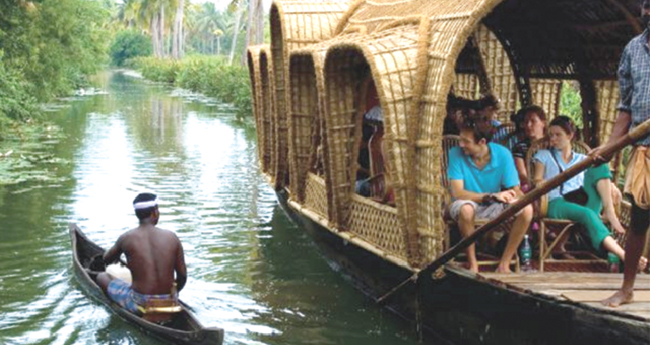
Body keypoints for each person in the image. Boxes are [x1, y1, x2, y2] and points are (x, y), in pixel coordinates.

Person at [533, 117, 647, 272]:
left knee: (600, 164)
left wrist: (611, 185)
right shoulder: (544, 155)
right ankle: (624, 255)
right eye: (550, 135)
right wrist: (542, 182)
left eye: (558, 134)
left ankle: (609, 211)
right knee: (588, 214)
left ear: (570, 135)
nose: (553, 139)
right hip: (556, 202)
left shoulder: (582, 159)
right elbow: (537, 179)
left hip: (581, 199)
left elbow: (598, 179)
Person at [598, 0, 650, 307]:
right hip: (644, 151)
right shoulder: (633, 49)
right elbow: (626, 109)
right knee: (640, 222)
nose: (649, 11)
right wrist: (608, 147)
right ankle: (627, 288)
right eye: (646, 5)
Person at [447, 110, 533, 273]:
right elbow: (458, 193)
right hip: (465, 203)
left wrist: (512, 197)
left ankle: (504, 263)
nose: (461, 144)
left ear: (482, 142)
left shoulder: (503, 154)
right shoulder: (455, 154)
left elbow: (515, 188)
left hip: (493, 204)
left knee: (527, 210)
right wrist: (491, 195)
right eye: (461, 140)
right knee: (466, 209)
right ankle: (473, 264)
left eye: (466, 141)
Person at [97, 192, 187, 323]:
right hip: (169, 301)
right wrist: (174, 293)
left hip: (140, 303)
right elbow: (182, 275)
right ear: (154, 212)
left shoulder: (126, 238)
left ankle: (116, 307)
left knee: (101, 277)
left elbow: (107, 259)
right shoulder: (172, 237)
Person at [512, 105, 547, 192]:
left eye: (533, 121)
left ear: (543, 123)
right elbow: (522, 175)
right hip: (531, 186)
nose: (528, 125)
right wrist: (536, 183)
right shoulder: (520, 147)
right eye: (526, 121)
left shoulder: (552, 145)